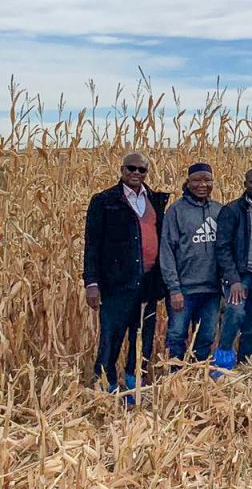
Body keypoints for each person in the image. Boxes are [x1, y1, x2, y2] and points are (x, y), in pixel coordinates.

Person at [84, 152, 170, 396]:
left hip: (149, 282)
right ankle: (106, 385)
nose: (135, 173)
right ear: (122, 170)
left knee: (143, 337)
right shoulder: (105, 201)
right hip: (117, 283)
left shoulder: (154, 200)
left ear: (146, 173)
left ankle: (134, 383)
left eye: (141, 170)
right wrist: (91, 282)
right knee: (111, 337)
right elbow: (92, 244)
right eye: (130, 168)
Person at [213, 168, 252, 371]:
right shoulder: (231, 211)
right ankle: (223, 360)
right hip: (241, 276)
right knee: (235, 313)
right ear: (245, 184)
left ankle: (246, 369)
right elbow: (222, 247)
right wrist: (234, 280)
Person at [160, 162, 223, 364]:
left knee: (205, 338)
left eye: (207, 180)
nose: (202, 185)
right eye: (197, 180)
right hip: (184, 290)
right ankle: (175, 378)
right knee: (177, 336)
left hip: (212, 291)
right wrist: (174, 289)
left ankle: (198, 380)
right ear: (187, 183)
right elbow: (167, 252)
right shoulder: (176, 212)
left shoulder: (220, 211)